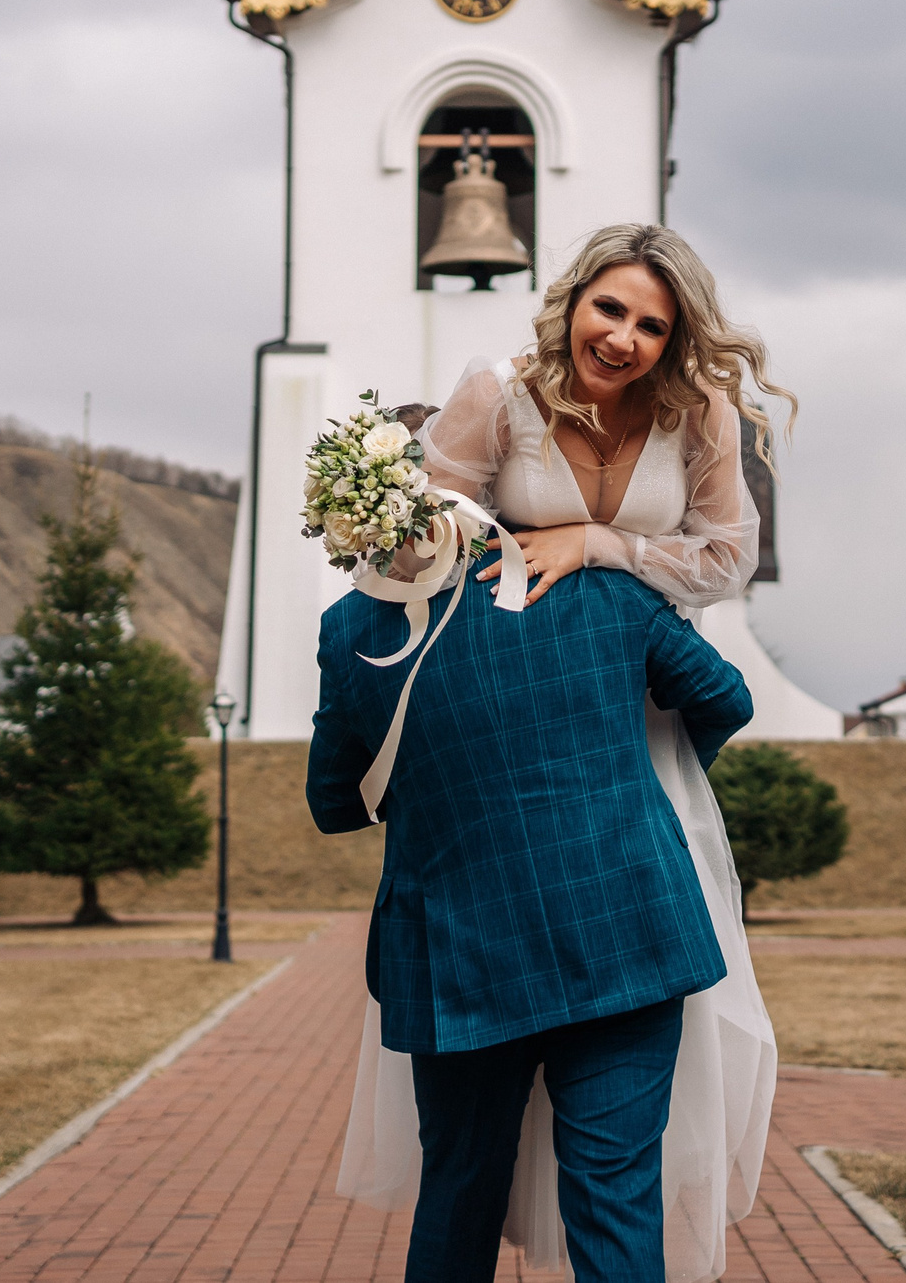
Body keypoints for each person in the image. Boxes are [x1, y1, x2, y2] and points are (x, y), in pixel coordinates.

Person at [335, 223, 794, 1282]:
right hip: (507, 741)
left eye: (651, 323)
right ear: (571, 299)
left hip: (638, 744)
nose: (624, 336)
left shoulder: (700, 416)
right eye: (609, 308)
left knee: (614, 1090)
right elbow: (420, 547)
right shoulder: (498, 391)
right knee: (473, 1145)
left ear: (675, 340)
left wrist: (598, 545)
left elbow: (725, 556)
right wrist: (398, 520)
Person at [309, 547, 753, 1282]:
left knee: (457, 1196)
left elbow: (334, 804)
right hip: (623, 922)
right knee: (617, 1200)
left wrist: (436, 785)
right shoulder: (597, 586)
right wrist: (637, 782)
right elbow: (725, 699)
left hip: (456, 951)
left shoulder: (354, 624)